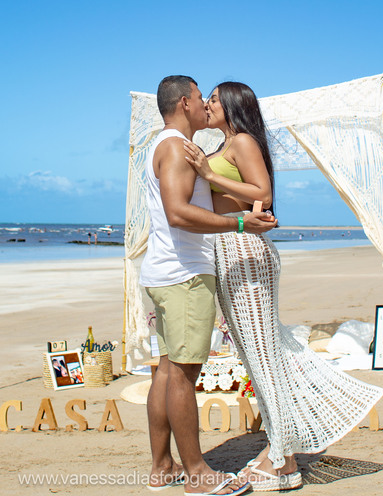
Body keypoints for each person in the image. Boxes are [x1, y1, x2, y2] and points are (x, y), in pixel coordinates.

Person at [184, 81, 383, 492]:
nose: (208, 103)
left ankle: (283, 459)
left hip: (244, 251)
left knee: (263, 357)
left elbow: (264, 194)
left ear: (234, 106)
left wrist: (206, 173)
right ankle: (281, 449)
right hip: (228, 250)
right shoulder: (223, 147)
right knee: (256, 354)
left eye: (215, 99)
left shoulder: (242, 142)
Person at [141, 75, 277, 496]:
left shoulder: (165, 146)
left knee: (165, 372)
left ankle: (164, 467)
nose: (205, 104)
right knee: (183, 375)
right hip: (184, 273)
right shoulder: (176, 148)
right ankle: (198, 474)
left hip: (164, 272)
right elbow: (179, 213)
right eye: (201, 97)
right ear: (184, 103)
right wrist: (240, 221)